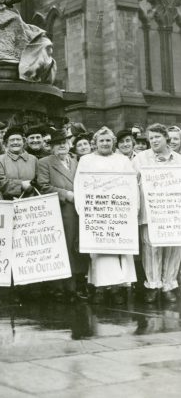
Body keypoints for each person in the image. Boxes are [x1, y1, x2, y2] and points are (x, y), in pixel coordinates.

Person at [74, 126, 137, 305]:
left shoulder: (123, 160)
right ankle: (100, 288)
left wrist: (131, 209)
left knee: (118, 252)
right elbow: (79, 185)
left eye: (108, 140)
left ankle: (117, 289)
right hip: (97, 213)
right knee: (99, 253)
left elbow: (131, 186)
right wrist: (83, 210)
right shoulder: (86, 160)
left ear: (113, 142)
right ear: (95, 143)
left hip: (118, 212)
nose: (105, 143)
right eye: (101, 140)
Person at [37, 129, 89, 301]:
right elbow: (43, 186)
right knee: (62, 248)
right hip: (60, 210)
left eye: (64, 143)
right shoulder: (45, 162)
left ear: (69, 144)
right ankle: (61, 288)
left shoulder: (76, 161)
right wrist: (67, 195)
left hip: (78, 211)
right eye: (57, 143)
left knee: (77, 247)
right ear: (52, 147)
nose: (61, 146)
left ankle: (75, 286)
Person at [133, 123, 181, 303]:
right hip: (149, 212)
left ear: (166, 138)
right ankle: (153, 285)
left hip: (173, 212)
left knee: (173, 248)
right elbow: (131, 181)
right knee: (151, 248)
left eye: (157, 137)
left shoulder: (178, 159)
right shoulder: (141, 158)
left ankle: (169, 284)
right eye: (150, 138)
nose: (153, 141)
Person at [0, 127, 37, 199]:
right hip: (8, 202)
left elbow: (39, 180)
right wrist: (21, 185)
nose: (15, 142)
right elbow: (0, 183)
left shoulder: (33, 159)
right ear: (7, 143)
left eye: (18, 139)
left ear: (24, 141)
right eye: (12, 140)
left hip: (31, 203)